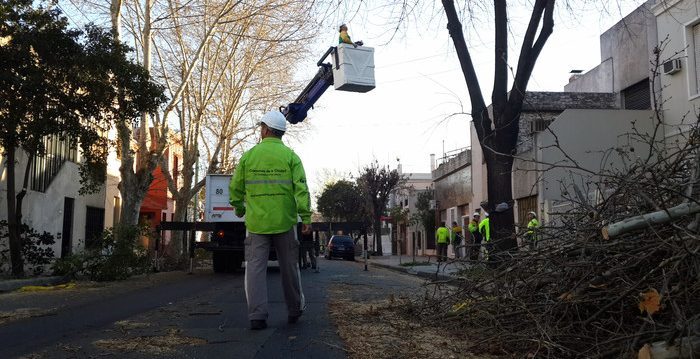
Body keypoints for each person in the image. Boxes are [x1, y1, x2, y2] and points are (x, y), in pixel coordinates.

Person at [229, 110, 312, 330]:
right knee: (290, 267)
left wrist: (238, 207)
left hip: (257, 224)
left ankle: (257, 316)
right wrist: (306, 217)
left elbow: (236, 186)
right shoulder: (291, 157)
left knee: (255, 269)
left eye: (261, 128)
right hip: (284, 221)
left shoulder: (249, 156)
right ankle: (294, 310)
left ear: (265, 130)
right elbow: (301, 189)